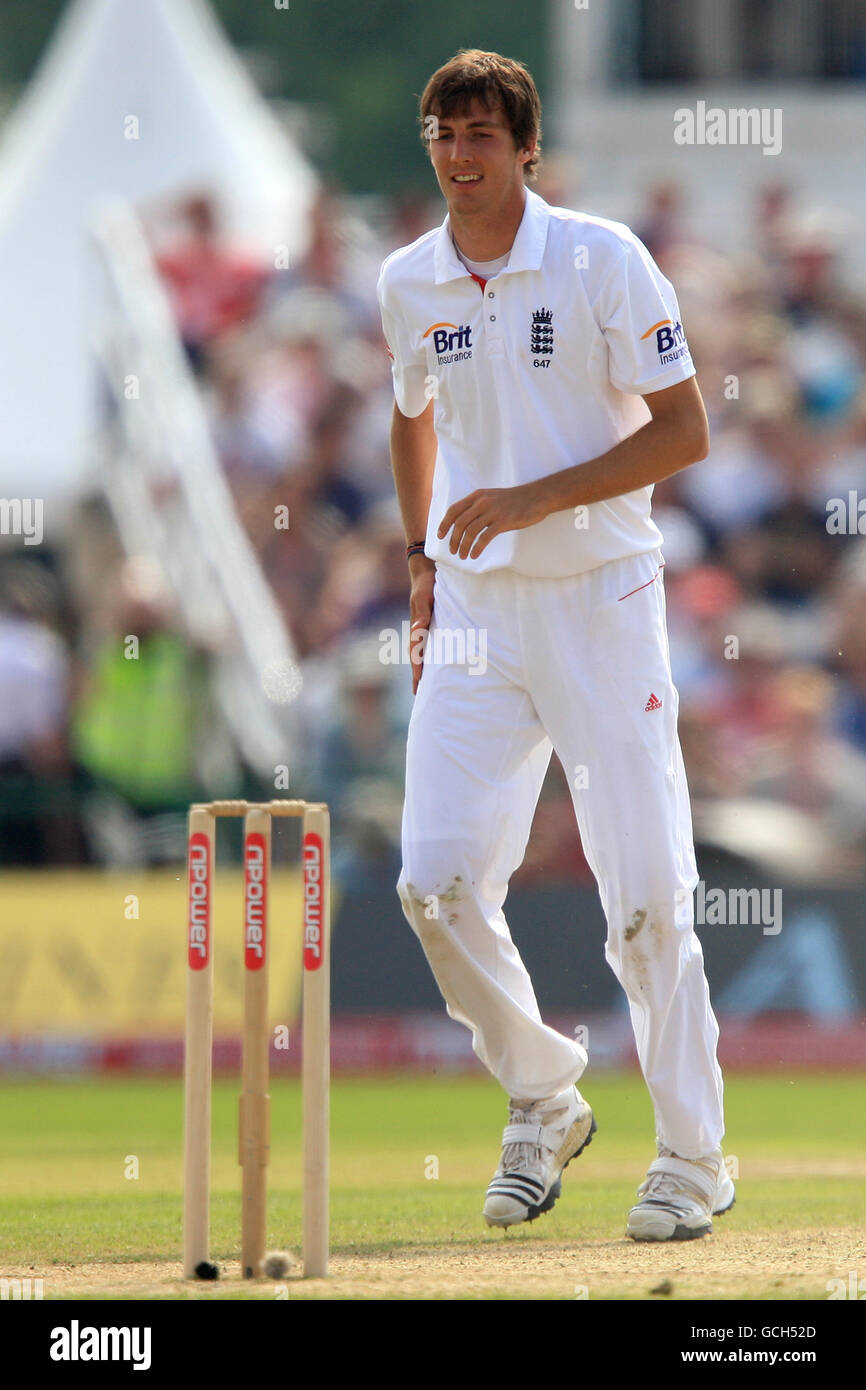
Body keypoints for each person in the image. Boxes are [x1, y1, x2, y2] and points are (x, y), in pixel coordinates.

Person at [376, 49, 733, 1242]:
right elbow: (408, 414)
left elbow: (682, 432)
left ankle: (692, 1157)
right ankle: (542, 1095)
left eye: (480, 134)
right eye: (442, 133)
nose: (458, 155)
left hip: (600, 596)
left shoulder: (597, 257)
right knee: (431, 881)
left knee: (642, 899)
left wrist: (534, 499)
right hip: (477, 612)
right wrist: (422, 563)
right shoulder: (408, 281)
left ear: (523, 147)